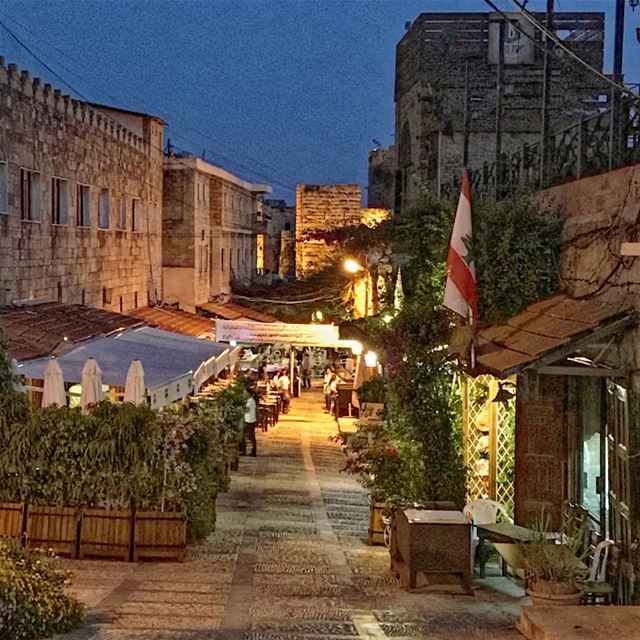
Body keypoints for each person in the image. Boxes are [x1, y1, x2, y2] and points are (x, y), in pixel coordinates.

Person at [243, 388, 258, 456]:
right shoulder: (250, 400)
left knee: (250, 437)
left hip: (249, 420)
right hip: (249, 419)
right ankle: (250, 450)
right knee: (250, 436)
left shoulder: (250, 401)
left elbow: (246, 410)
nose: (244, 394)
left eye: (245, 393)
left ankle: (253, 451)